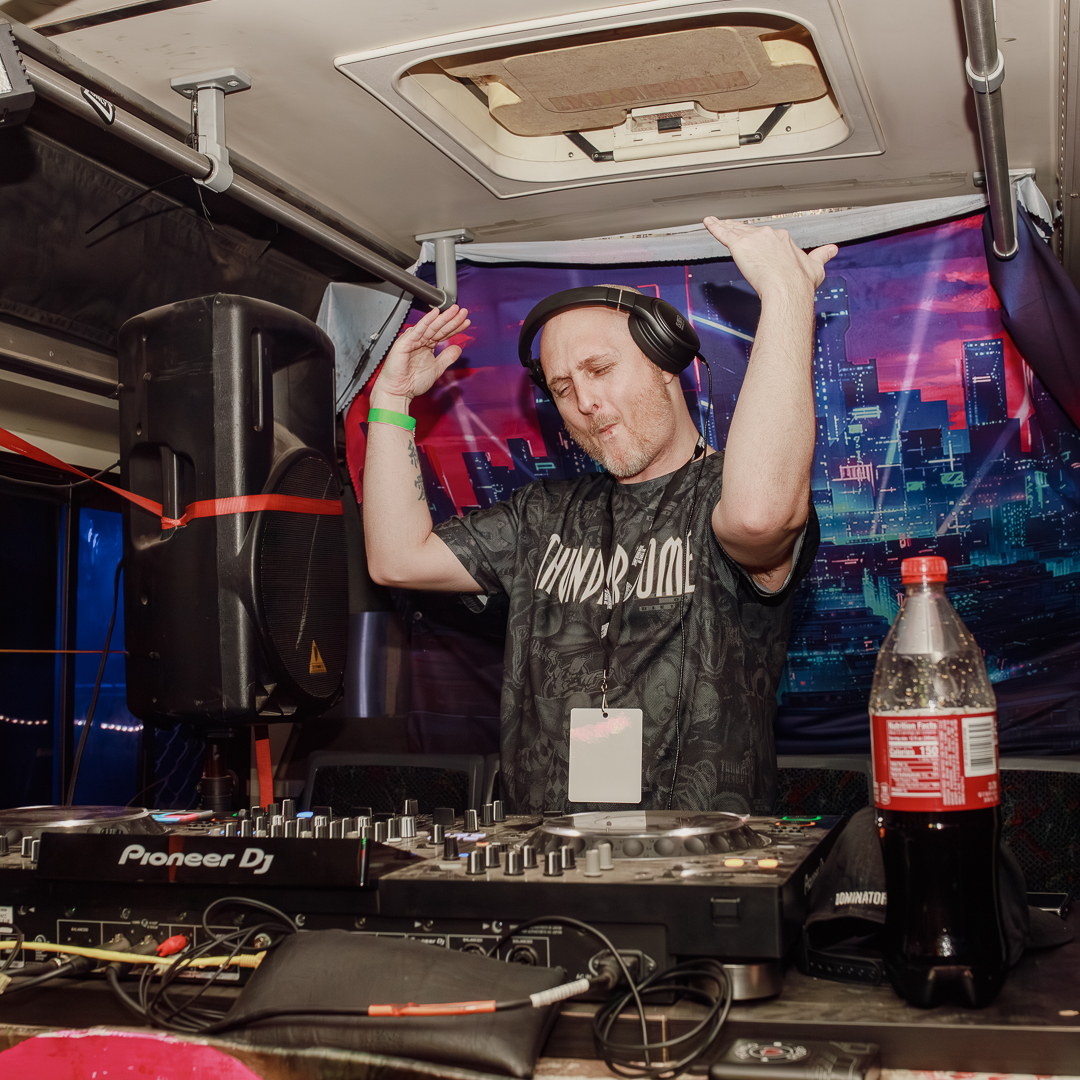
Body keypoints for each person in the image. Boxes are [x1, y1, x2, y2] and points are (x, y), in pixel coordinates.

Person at [363, 218, 837, 814]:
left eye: (600, 369)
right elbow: (397, 558)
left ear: (666, 363)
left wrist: (788, 295)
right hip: (546, 856)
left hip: (698, 855)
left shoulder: (726, 494)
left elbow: (759, 518)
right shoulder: (542, 515)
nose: (584, 401)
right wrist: (391, 401)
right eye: (562, 388)